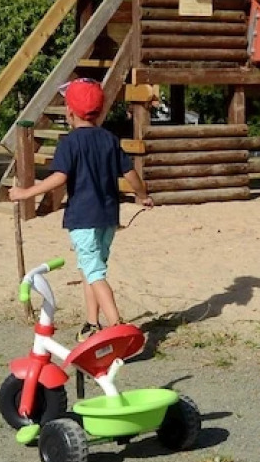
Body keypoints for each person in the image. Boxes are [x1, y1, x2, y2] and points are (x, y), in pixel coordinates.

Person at [8, 79, 152, 337]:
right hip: (108, 218)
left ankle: (117, 329)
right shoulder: (109, 139)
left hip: (83, 219)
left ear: (70, 112)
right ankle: (92, 323)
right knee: (91, 268)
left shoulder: (70, 142)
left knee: (94, 273)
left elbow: (59, 178)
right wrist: (142, 195)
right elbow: (130, 174)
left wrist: (25, 192)